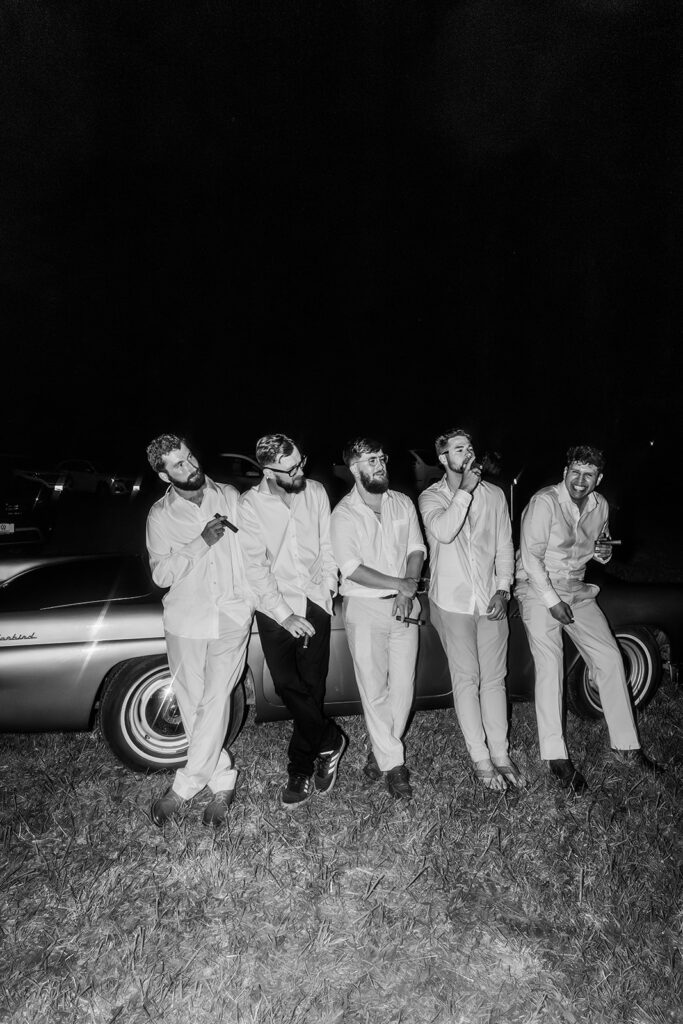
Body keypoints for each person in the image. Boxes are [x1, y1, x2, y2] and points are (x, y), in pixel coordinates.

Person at [515, 444, 661, 794]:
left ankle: (626, 746)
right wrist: (551, 601)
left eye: (589, 475)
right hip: (536, 586)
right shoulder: (544, 502)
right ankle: (556, 757)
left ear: (599, 479)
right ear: (566, 471)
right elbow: (532, 560)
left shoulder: (600, 505)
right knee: (550, 664)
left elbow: (600, 546)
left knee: (610, 657)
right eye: (575, 472)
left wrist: (605, 553)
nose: (581, 481)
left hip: (577, 587)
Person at [145, 434, 255, 827]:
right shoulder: (160, 516)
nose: (190, 466)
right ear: (163, 474)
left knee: (215, 699)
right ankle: (222, 780)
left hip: (231, 615)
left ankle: (185, 787)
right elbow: (161, 574)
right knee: (192, 703)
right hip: (186, 620)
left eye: (190, 456)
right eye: (178, 464)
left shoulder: (229, 496)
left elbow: (254, 549)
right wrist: (200, 542)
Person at [238, 433, 346, 808]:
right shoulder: (249, 506)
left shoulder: (314, 491)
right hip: (274, 607)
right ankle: (331, 738)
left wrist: (328, 586)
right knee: (286, 686)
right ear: (268, 471)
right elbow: (255, 567)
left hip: (314, 599)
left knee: (312, 687)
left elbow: (329, 545)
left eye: (301, 461)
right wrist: (285, 615)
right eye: (292, 468)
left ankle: (299, 770)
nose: (301, 470)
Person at [419, 428, 525, 791]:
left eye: (470, 447)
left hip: (488, 599)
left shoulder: (494, 496)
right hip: (451, 601)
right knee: (468, 679)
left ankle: (500, 753)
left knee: (495, 678)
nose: (466, 453)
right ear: (443, 458)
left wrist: (502, 589)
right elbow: (445, 532)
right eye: (457, 449)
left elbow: (504, 547)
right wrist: (463, 490)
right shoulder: (430, 498)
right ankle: (480, 757)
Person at [330, 439, 426, 801]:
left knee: (403, 689)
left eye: (383, 458)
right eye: (372, 460)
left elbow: (416, 549)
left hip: (404, 604)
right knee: (374, 689)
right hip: (365, 608)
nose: (381, 464)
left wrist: (407, 588)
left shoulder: (402, 502)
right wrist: (398, 584)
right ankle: (394, 766)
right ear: (355, 469)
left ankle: (381, 750)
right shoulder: (343, 514)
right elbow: (351, 569)